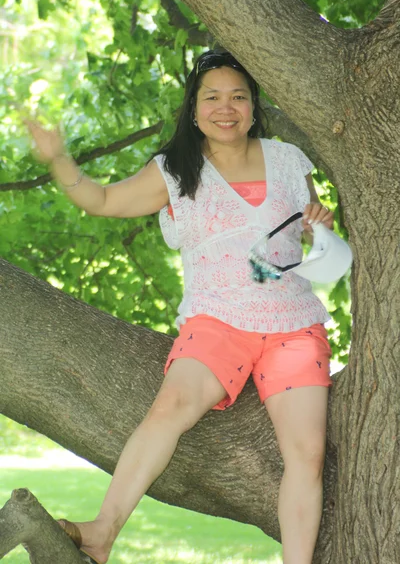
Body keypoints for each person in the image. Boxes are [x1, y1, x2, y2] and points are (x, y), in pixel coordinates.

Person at [26, 50, 335, 564]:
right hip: (216, 321)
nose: (226, 107)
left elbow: (315, 237)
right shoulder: (175, 171)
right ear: (194, 110)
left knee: (307, 454)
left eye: (238, 96)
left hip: (292, 325)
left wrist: (318, 227)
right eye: (211, 97)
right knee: (170, 407)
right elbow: (102, 201)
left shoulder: (287, 159)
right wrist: (60, 159)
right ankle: (102, 532)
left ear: (254, 108)